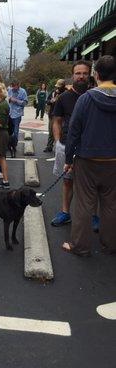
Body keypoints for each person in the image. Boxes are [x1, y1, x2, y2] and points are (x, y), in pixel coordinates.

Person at [62, 55, 116, 255]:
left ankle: (80, 246)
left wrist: (68, 160)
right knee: (111, 204)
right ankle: (111, 244)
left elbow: (74, 131)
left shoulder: (86, 99)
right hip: (113, 162)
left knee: (84, 204)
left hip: (87, 159)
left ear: (96, 74)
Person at [51, 60, 92, 226]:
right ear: (72, 76)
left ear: (90, 75)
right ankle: (65, 213)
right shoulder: (63, 98)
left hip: (90, 147)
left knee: (91, 184)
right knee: (68, 181)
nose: (81, 76)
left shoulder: (94, 95)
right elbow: (56, 121)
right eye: (78, 73)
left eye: (84, 73)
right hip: (68, 146)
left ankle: (93, 216)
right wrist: (57, 142)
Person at [43, 79, 66, 152]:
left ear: (63, 86)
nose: (57, 88)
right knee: (51, 131)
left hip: (62, 115)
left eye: (59, 87)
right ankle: (49, 146)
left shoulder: (66, 93)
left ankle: (60, 147)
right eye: (57, 86)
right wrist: (51, 101)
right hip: (52, 114)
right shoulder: (53, 92)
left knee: (61, 132)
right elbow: (47, 101)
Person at [8, 79, 28, 153]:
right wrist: (9, 99)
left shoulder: (23, 91)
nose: (13, 88)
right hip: (9, 113)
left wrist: (16, 100)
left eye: (15, 86)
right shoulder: (9, 90)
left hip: (17, 114)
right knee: (9, 130)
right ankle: (8, 145)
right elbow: (7, 99)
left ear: (18, 85)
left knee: (15, 131)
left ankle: (14, 145)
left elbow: (25, 103)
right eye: (12, 86)